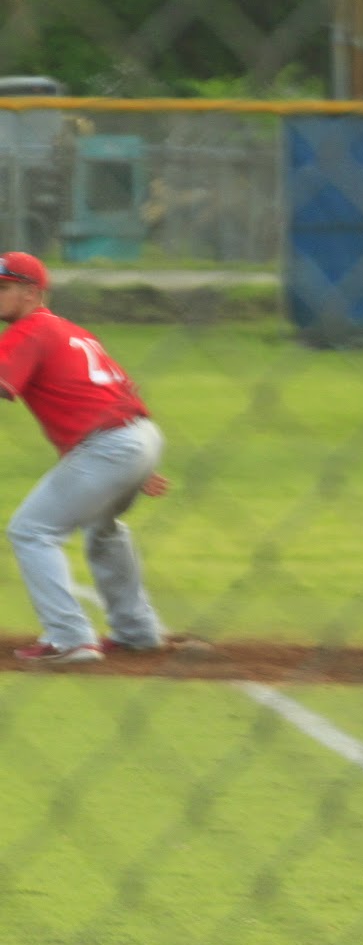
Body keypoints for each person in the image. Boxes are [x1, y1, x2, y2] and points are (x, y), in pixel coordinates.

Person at [0, 251, 175, 663]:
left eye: (3, 288)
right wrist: (136, 464)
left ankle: (70, 638)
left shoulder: (29, 330)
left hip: (113, 446)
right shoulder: (72, 332)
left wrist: (122, 459)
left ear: (31, 293)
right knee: (103, 527)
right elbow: (108, 395)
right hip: (139, 437)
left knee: (31, 531)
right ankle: (137, 631)